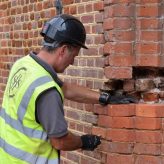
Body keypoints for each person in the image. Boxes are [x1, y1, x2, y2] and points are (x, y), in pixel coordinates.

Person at [0, 14, 136, 164]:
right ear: (63, 50)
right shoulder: (47, 91)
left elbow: (65, 89)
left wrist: (104, 97)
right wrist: (83, 142)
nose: (72, 62)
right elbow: (60, 141)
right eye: (74, 56)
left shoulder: (24, 65)